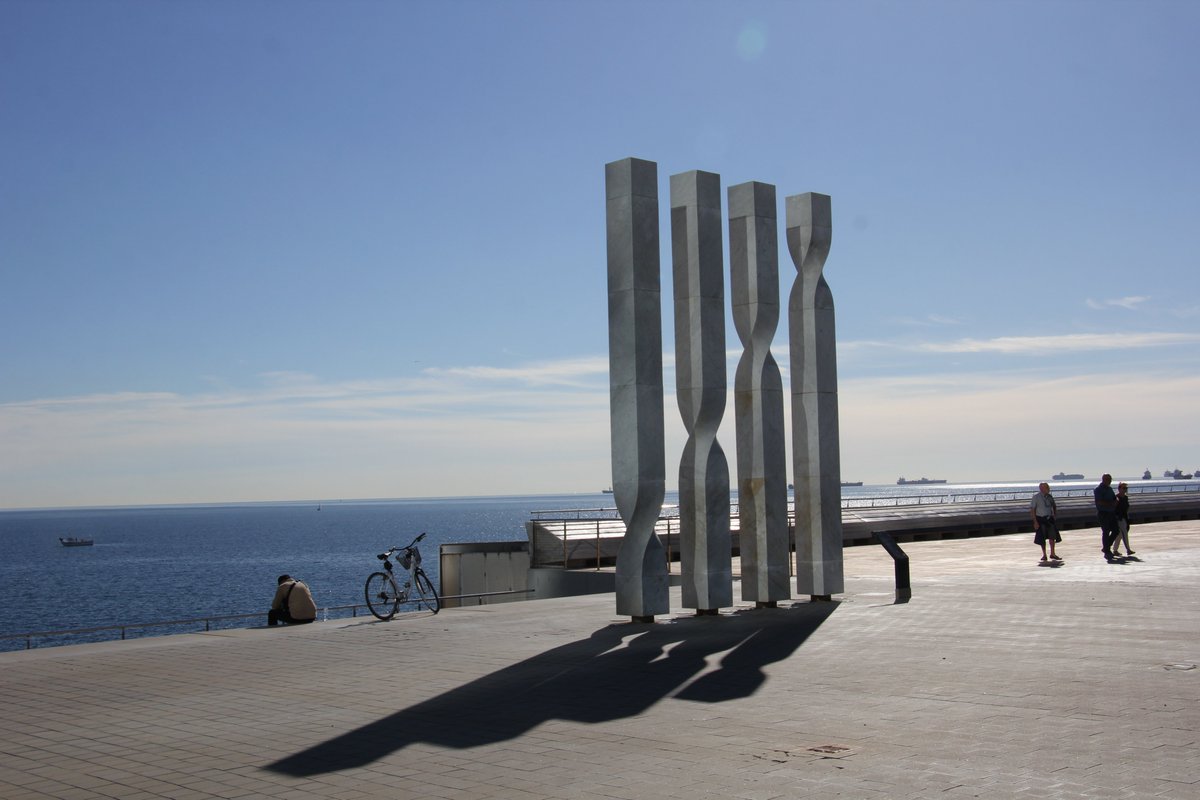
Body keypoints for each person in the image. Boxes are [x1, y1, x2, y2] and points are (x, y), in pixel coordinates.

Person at [1030, 482, 1062, 562]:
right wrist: (1035, 522)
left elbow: (1054, 506)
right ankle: (1044, 554)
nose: (1044, 489)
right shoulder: (1036, 497)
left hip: (1049, 519)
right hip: (1040, 519)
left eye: (1045, 488)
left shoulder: (1050, 497)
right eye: (1042, 488)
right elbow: (1032, 510)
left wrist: (1054, 515)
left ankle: (1053, 553)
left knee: (1052, 537)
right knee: (1042, 538)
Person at [1093, 474, 1119, 560]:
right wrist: (1111, 503)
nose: (1110, 481)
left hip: (1111, 513)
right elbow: (1099, 502)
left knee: (1116, 530)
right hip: (1103, 513)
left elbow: (1114, 498)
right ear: (1104, 479)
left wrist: (1116, 501)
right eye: (1108, 479)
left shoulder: (1110, 489)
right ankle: (1107, 550)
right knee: (1106, 531)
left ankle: (1107, 546)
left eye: (1111, 479)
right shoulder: (1098, 489)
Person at [1113, 481, 1135, 556]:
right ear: (1119, 489)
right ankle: (1128, 549)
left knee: (1119, 535)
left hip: (1124, 518)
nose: (1125, 489)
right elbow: (1114, 508)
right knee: (1124, 533)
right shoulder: (1116, 497)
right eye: (1124, 488)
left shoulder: (1125, 498)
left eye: (1126, 488)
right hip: (1118, 518)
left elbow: (1126, 508)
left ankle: (1115, 550)